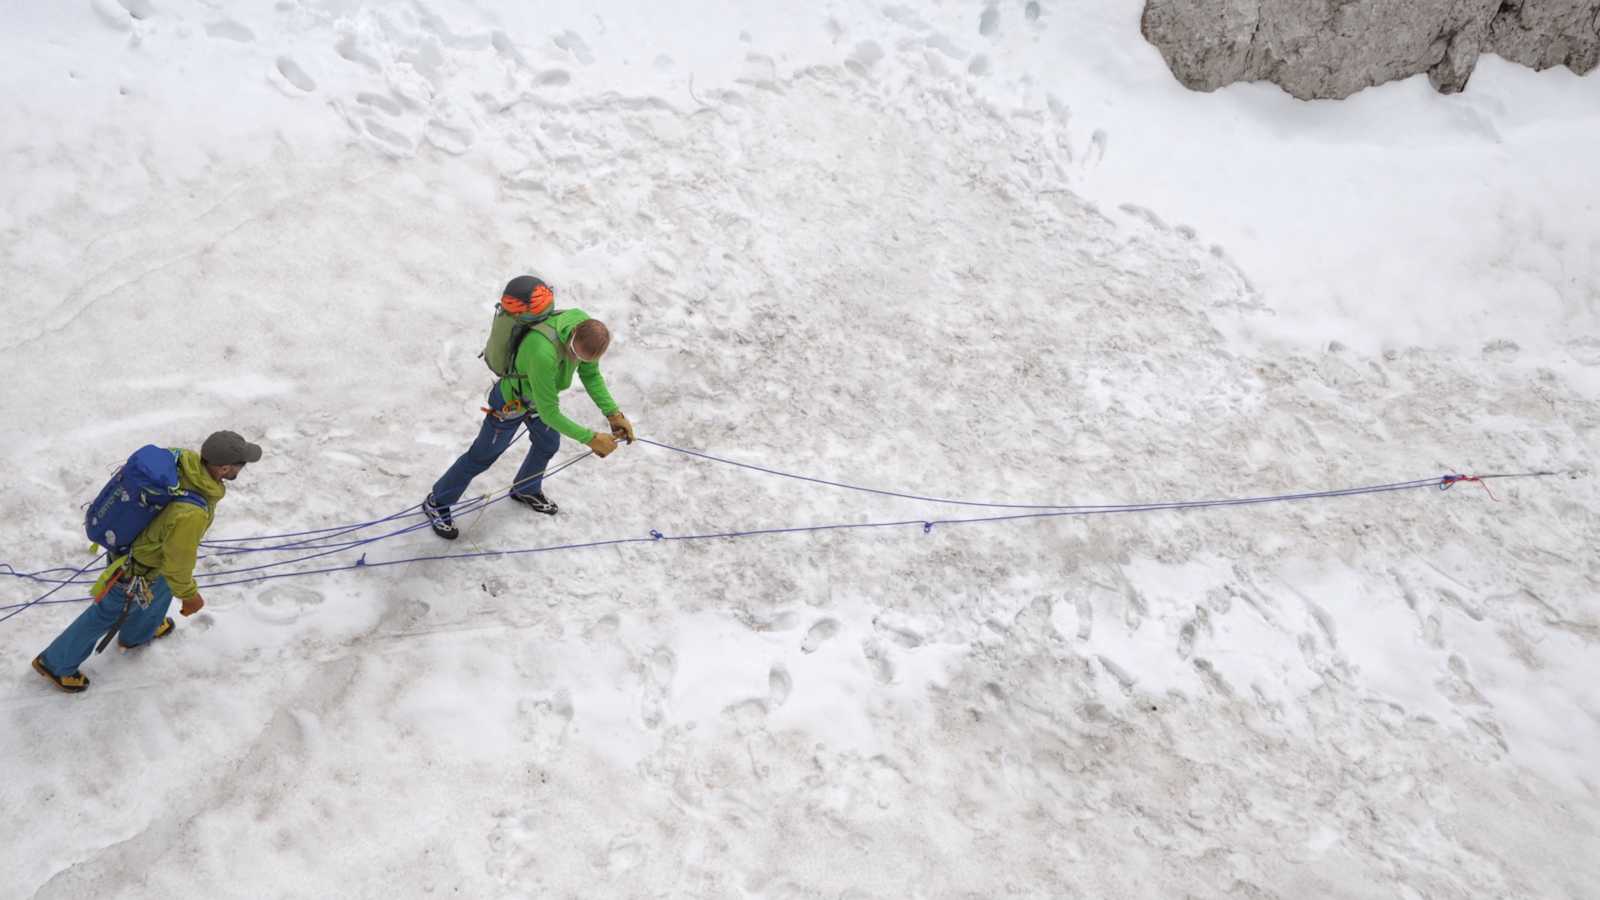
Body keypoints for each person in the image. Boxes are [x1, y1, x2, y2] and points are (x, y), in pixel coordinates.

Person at [32, 430, 263, 693]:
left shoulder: (183, 461)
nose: (241, 469)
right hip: (136, 568)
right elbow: (178, 563)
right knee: (107, 613)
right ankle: (55, 663)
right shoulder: (191, 513)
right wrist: (189, 596)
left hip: (137, 551)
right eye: (240, 465)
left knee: (160, 587)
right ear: (223, 469)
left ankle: (138, 634)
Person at [422, 275, 634, 539]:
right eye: (578, 357)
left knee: (547, 444)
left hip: (535, 400)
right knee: (482, 456)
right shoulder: (542, 353)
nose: (581, 362)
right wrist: (590, 438)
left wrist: (614, 414)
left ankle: (525, 488)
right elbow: (550, 412)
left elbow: (590, 375)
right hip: (511, 403)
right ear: (572, 340)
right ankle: (437, 501)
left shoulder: (583, 331)